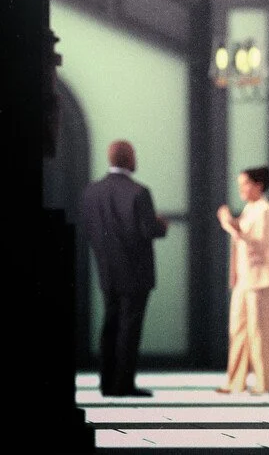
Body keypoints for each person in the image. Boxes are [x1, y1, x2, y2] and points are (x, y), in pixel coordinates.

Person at [81, 139, 167, 398]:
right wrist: (161, 225)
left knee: (110, 324)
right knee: (130, 329)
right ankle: (123, 384)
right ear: (129, 158)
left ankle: (107, 383)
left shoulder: (91, 192)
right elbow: (149, 229)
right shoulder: (139, 192)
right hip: (135, 271)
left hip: (106, 269)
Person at [216, 167, 269, 395]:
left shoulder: (265, 210)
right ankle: (235, 381)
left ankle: (264, 382)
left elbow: (259, 243)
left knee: (260, 333)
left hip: (260, 279)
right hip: (244, 280)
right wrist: (228, 223)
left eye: (245, 184)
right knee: (238, 331)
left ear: (258, 185)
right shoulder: (250, 209)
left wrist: (230, 224)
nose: (241, 189)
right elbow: (240, 235)